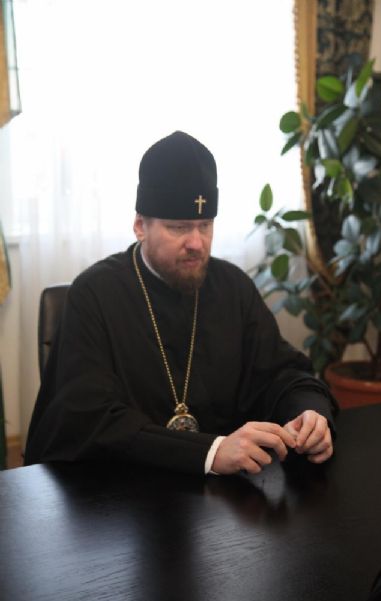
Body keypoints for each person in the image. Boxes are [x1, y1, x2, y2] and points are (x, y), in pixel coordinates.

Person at [24, 131, 338, 475]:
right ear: (140, 226)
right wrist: (209, 452)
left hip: (228, 495)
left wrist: (309, 412)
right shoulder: (94, 294)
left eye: (205, 225)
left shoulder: (232, 287)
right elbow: (89, 419)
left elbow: (281, 372)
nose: (197, 243)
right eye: (179, 227)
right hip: (124, 492)